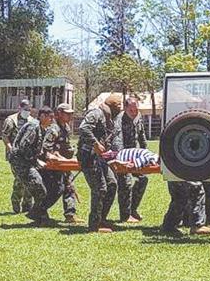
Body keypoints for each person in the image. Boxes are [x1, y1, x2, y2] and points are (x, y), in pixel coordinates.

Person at [77, 93, 122, 233]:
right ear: (112, 106)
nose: (120, 108)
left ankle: (102, 219)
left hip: (100, 157)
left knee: (112, 184)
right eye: (118, 105)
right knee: (100, 188)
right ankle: (94, 225)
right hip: (88, 156)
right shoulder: (97, 113)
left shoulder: (110, 119)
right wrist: (95, 143)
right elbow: (83, 128)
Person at [9, 106, 55, 225]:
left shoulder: (41, 128)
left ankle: (39, 216)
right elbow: (24, 148)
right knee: (40, 188)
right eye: (50, 117)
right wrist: (36, 161)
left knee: (44, 187)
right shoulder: (33, 127)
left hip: (27, 162)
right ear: (42, 116)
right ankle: (38, 217)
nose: (52, 120)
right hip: (21, 163)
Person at [40, 103, 81, 224]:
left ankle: (70, 214)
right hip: (52, 165)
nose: (70, 116)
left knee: (69, 186)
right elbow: (46, 148)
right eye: (67, 114)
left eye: (71, 113)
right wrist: (55, 155)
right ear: (59, 114)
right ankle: (39, 212)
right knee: (54, 190)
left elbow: (65, 145)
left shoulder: (66, 127)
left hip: (64, 164)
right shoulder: (54, 128)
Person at [112, 96, 149, 223]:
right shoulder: (119, 120)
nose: (134, 112)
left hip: (135, 155)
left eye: (136, 109)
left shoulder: (138, 117)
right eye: (131, 110)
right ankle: (125, 215)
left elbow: (141, 135)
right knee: (125, 183)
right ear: (125, 108)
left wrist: (145, 152)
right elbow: (117, 141)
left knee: (143, 179)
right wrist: (121, 160)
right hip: (123, 156)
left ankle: (132, 209)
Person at [2, 99, 35, 213]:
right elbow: (5, 136)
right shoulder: (11, 120)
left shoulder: (32, 121)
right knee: (20, 179)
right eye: (25, 109)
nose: (27, 111)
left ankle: (27, 205)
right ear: (19, 108)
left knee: (30, 179)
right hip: (15, 156)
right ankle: (16, 202)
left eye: (29, 109)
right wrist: (10, 148)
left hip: (28, 155)